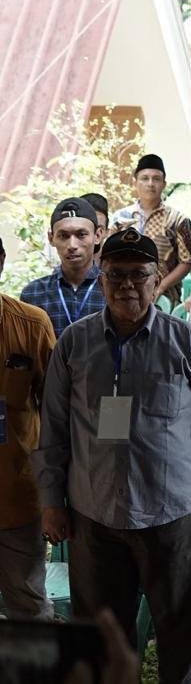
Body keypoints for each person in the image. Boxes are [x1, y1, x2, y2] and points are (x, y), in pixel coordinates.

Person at [34, 230, 191, 684]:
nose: (127, 284)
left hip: (172, 513)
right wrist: (52, 501)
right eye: (116, 275)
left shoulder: (184, 341)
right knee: (101, 636)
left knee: (181, 632)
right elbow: (52, 427)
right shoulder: (74, 343)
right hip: (95, 514)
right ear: (101, 276)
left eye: (138, 275)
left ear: (156, 280)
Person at [0, 249, 57, 620]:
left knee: (29, 604)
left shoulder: (31, 324)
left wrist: (57, 494)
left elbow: (57, 413)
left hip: (17, 496)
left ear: (1, 261)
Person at [108, 154, 191, 306]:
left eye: (156, 179)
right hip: (124, 293)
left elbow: (188, 261)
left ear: (164, 184)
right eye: (145, 178)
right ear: (135, 182)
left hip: (164, 299)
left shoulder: (177, 219)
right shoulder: (120, 219)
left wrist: (160, 287)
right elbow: (108, 258)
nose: (150, 183)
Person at [20, 197, 106, 338]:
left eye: (81, 235)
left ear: (97, 235)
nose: (72, 245)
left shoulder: (113, 290)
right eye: (63, 236)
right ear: (51, 238)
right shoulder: (33, 293)